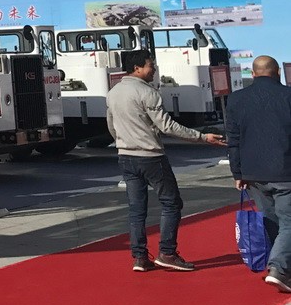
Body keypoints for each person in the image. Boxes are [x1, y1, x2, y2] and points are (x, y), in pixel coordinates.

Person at [107, 49, 226, 272]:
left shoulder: (113, 92)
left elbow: (112, 126)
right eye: (150, 65)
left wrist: (123, 142)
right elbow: (167, 126)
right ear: (137, 68)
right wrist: (202, 137)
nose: (154, 69)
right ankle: (167, 252)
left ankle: (140, 257)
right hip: (151, 157)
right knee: (171, 203)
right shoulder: (148, 93)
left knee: (136, 209)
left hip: (125, 156)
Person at [225, 55, 291, 292]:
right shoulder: (288, 96)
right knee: (289, 221)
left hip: (253, 173)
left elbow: (233, 140)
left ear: (253, 74)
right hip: (285, 171)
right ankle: (278, 268)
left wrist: (237, 172)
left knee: (271, 219)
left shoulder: (236, 99)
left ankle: (280, 266)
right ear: (278, 73)